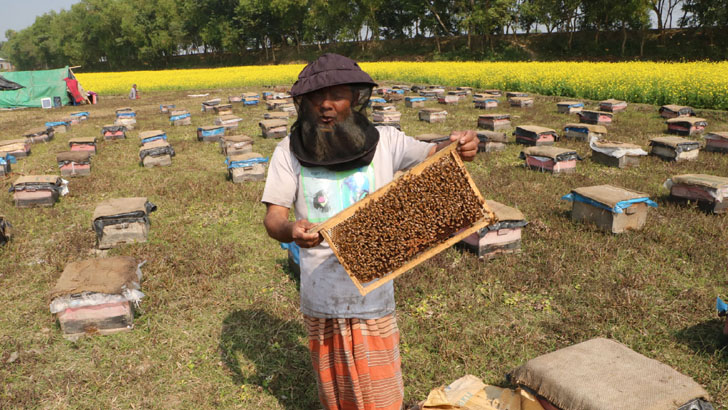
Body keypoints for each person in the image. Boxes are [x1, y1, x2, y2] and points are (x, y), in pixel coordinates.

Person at [261, 53, 478, 410]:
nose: (326, 105)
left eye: (337, 94)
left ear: (356, 97)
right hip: (320, 292)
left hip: (373, 290)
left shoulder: (387, 141)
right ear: (303, 103)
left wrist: (460, 146)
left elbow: (434, 153)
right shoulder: (287, 152)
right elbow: (273, 218)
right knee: (334, 391)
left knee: (382, 390)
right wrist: (290, 229)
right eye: (317, 96)